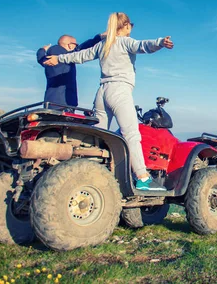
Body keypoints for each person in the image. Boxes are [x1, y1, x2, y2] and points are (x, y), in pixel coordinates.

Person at [44, 12, 174, 191]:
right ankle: (143, 178)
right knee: (131, 135)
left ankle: (90, 175)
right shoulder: (125, 41)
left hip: (101, 93)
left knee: (97, 137)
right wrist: (160, 42)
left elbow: (80, 56)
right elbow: (143, 46)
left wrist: (59, 58)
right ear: (126, 26)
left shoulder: (103, 45)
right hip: (119, 91)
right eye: (130, 27)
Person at [36, 33, 103, 107]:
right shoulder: (63, 56)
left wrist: (41, 50)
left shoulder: (49, 59)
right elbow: (80, 50)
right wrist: (99, 37)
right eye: (76, 45)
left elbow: (40, 58)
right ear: (70, 45)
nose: (76, 47)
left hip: (49, 102)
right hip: (64, 103)